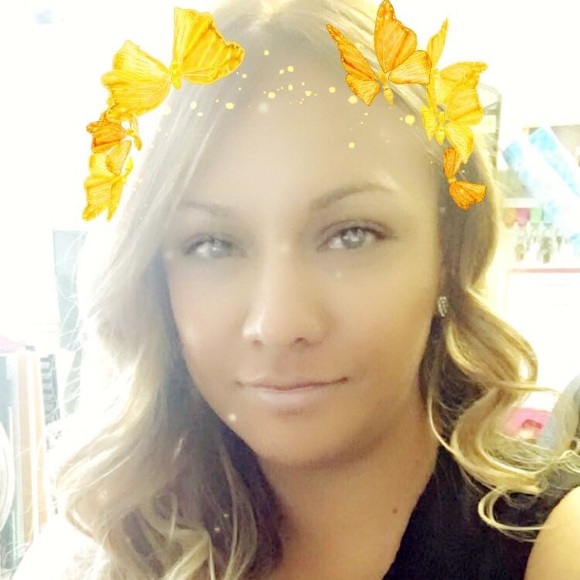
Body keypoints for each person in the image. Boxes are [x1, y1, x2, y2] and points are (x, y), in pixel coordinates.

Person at [15, 0, 580, 578]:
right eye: (212, 245)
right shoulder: (103, 541)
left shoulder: (557, 547)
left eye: (351, 236)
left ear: (447, 257)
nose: (278, 323)